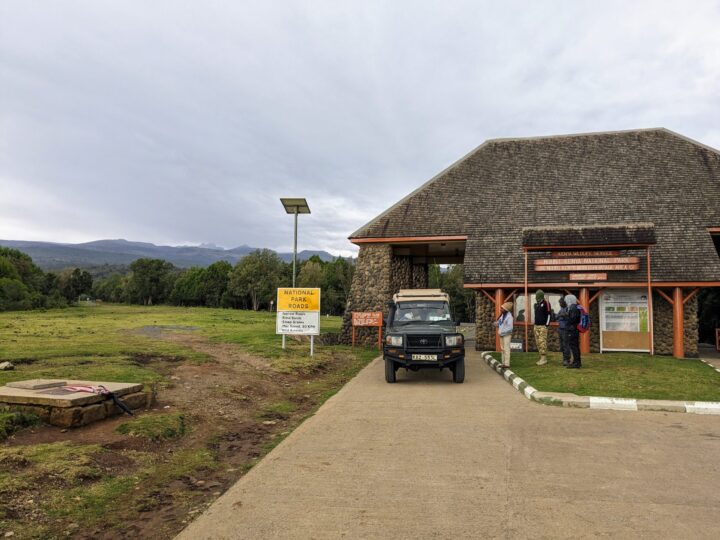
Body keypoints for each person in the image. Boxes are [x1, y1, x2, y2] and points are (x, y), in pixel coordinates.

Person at [533, 290, 552, 366]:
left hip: (543, 326)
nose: (536, 298)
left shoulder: (546, 303)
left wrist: (546, 325)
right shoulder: (537, 304)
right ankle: (541, 357)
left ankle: (544, 358)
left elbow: (549, 314)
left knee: (542, 342)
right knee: (538, 342)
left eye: (537, 296)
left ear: (540, 296)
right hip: (536, 326)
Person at [493, 301, 514, 368]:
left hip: (507, 335)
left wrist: (503, 331)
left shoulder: (509, 317)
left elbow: (510, 328)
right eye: (501, 308)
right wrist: (496, 323)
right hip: (501, 334)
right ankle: (503, 363)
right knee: (502, 349)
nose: (501, 309)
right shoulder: (502, 315)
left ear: (506, 309)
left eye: (502, 308)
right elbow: (500, 323)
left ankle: (507, 364)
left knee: (506, 349)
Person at [565, 293, 582, 368]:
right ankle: (577, 362)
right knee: (575, 346)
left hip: (572, 330)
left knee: (573, 346)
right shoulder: (576, 307)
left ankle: (576, 363)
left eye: (567, 300)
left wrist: (565, 316)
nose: (566, 302)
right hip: (575, 329)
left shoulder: (572, 308)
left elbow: (572, 319)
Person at [556, 297, 571, 366]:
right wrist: (559, 315)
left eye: (560, 303)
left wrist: (564, 315)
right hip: (560, 328)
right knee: (562, 345)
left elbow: (570, 318)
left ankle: (567, 359)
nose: (560, 304)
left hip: (565, 329)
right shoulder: (561, 309)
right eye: (559, 303)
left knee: (566, 345)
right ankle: (564, 358)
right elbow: (557, 317)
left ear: (564, 303)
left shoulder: (568, 309)